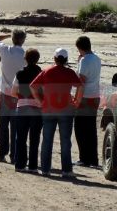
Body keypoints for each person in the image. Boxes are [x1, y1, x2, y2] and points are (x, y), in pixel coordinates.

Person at [30, 48, 82, 178]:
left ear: (54, 58)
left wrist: (40, 101)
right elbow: (80, 86)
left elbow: (32, 86)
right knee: (65, 141)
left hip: (48, 109)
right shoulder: (70, 72)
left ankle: (46, 169)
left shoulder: (47, 71)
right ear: (66, 59)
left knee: (47, 140)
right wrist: (76, 101)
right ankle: (66, 170)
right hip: (66, 110)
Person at [0, 30, 26, 163]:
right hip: (18, 95)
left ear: (12, 39)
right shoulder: (24, 55)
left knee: (3, 125)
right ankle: (14, 155)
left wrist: (7, 35)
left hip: (5, 94)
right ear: (23, 40)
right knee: (16, 126)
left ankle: (1, 153)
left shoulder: (5, 49)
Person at [11, 48, 43, 173]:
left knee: (21, 137)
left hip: (23, 107)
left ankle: (20, 164)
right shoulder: (41, 73)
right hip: (37, 108)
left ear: (25, 58)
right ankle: (33, 166)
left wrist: (21, 97)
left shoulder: (20, 73)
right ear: (38, 59)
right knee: (34, 138)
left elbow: (13, 92)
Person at [73, 36, 102, 167]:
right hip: (95, 95)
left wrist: (76, 99)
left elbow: (81, 82)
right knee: (90, 129)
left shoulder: (84, 60)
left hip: (85, 97)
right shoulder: (96, 58)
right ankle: (93, 159)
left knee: (80, 128)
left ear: (80, 48)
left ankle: (84, 158)